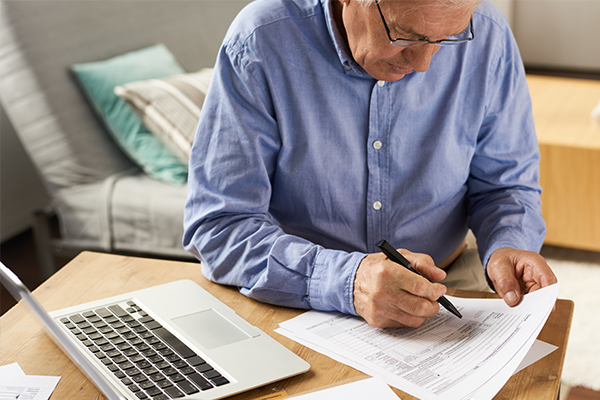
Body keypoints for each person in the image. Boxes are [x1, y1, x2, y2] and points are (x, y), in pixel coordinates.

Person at [183, 0, 557, 328]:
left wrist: (509, 243)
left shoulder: (488, 34)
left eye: (448, 38)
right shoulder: (260, 41)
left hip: (449, 283)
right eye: (405, 34)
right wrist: (348, 280)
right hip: (298, 299)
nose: (424, 64)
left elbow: (506, 186)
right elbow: (219, 225)